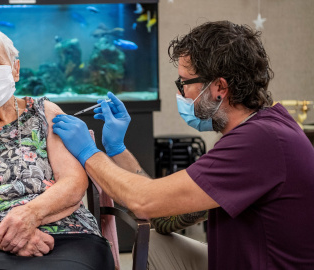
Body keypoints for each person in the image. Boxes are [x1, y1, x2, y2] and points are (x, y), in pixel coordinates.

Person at [52, 20, 314, 269]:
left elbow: (144, 202)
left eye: (184, 83)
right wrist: (117, 149)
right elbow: (164, 218)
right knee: (154, 245)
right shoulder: (261, 128)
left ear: (219, 87)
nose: (180, 94)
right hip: (243, 258)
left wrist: (89, 152)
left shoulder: (258, 143)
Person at [0, 24, 114, 270]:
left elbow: (73, 182)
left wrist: (27, 216)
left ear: (15, 69)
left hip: (68, 233)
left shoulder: (45, 112)